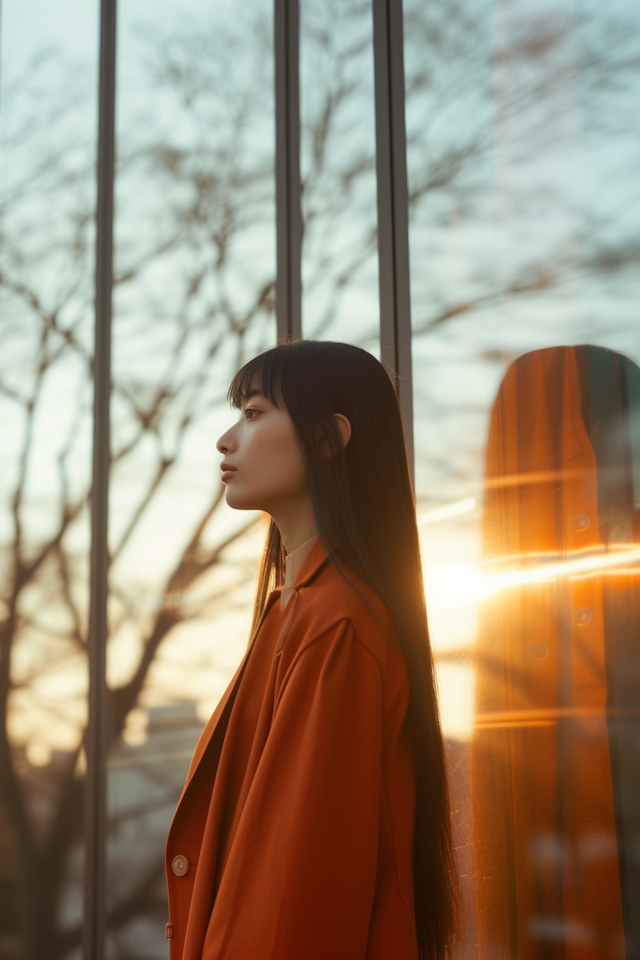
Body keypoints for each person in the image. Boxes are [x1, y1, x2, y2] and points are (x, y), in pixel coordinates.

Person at [165, 340, 458, 960]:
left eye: (252, 413)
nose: (225, 439)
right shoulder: (303, 609)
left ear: (329, 438)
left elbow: (292, 886)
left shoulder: (336, 622)